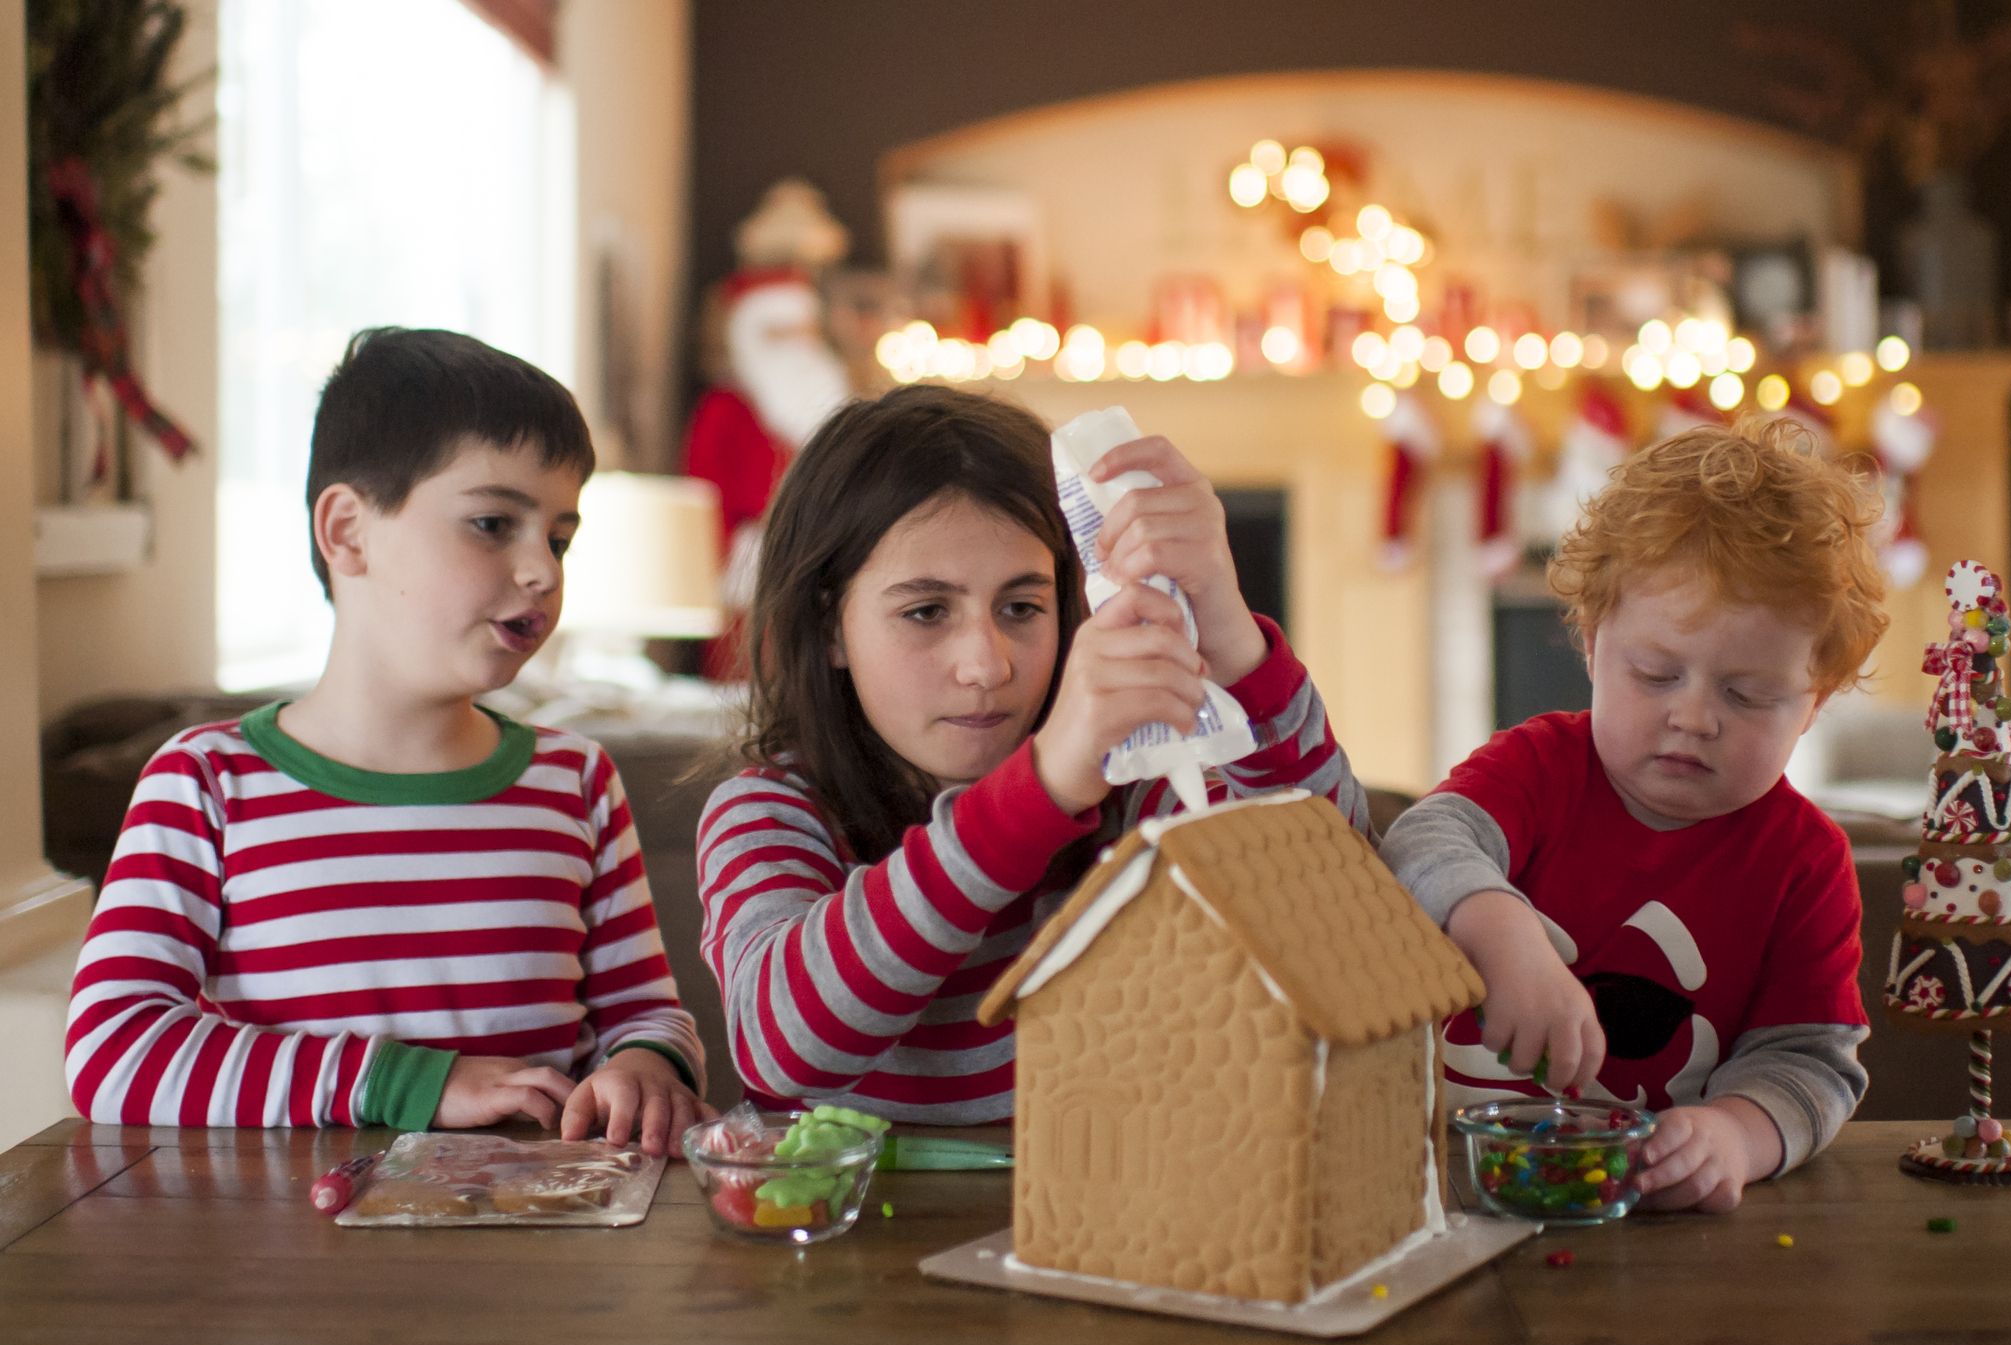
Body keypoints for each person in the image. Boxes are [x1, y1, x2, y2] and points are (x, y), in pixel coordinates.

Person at [65, 328, 707, 1154]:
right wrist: (413, 1083)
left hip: (540, 1251)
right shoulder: (205, 785)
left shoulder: (576, 781)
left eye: (558, 537)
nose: (542, 571)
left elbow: (646, 1015)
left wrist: (649, 1066)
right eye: (491, 523)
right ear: (348, 533)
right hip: (291, 1261)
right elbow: (114, 1054)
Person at [696, 384, 1366, 1123]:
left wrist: (1230, 634)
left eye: (1021, 608)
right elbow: (785, 1048)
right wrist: (1038, 791)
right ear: (830, 628)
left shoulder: (1137, 790)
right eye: (925, 612)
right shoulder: (768, 811)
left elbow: (1343, 920)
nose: (987, 666)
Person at [1383, 419, 1889, 1212]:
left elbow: (1811, 1063)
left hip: (1649, 1214)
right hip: (1444, 1181)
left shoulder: (1805, 862)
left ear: (1813, 704)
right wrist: (1499, 930)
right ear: (1591, 647)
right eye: (1656, 675)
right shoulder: (1541, 766)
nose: (1693, 717)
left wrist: (1734, 1133)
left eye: (1746, 695)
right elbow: (1424, 839)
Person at [680, 267, 851, 678]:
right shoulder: (724, 409)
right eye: (781, 333)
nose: (798, 344)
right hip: (750, 578)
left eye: (805, 330)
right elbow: (705, 502)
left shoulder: (833, 401)